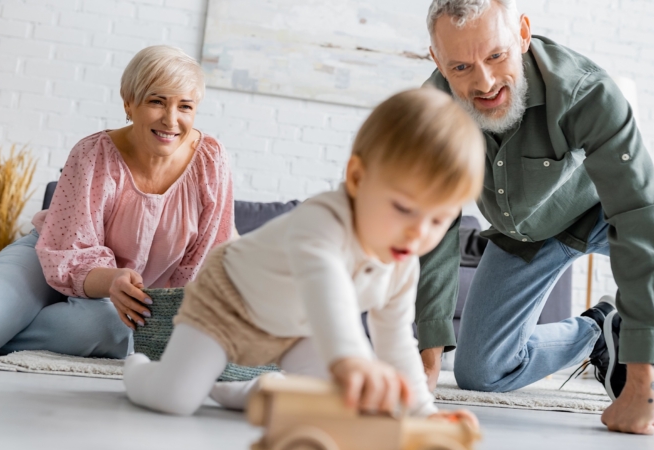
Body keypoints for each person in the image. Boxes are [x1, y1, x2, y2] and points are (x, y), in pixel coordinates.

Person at [413, 0, 654, 435]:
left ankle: (631, 349)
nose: (483, 82)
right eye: (461, 67)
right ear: (436, 60)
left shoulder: (585, 91)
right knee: (481, 373)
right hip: (524, 234)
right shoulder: (430, 114)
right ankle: (599, 332)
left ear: (523, 33)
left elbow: (638, 211)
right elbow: (435, 227)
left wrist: (641, 382)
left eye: (496, 56)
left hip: (602, 206)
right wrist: (428, 364)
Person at [123, 88, 485, 422]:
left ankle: (250, 390)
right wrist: (352, 360)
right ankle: (139, 369)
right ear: (358, 179)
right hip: (228, 303)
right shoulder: (323, 220)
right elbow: (326, 290)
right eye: (404, 208)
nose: (419, 233)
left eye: (439, 219)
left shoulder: (402, 263)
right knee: (175, 400)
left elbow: (396, 340)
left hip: (300, 330)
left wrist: (423, 411)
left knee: (336, 405)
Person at [0, 45, 233, 360]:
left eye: (185, 106)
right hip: (53, 253)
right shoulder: (93, 154)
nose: (171, 120)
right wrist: (112, 279)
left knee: (109, 329)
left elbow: (204, 260)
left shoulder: (210, 161)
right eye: (156, 101)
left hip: (120, 298)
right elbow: (69, 253)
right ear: (129, 103)